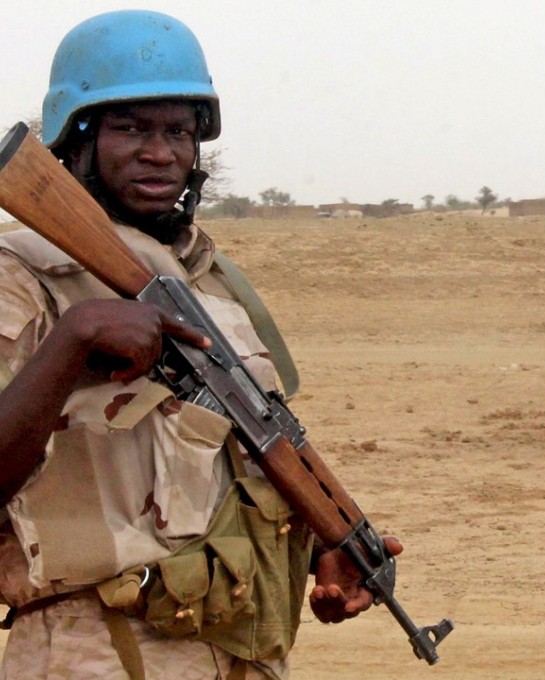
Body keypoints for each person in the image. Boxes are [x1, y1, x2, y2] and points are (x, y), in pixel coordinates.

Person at [0, 10, 398, 679]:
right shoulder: (21, 275)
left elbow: (228, 463)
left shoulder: (207, 281)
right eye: (132, 127)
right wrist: (73, 340)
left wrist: (316, 545)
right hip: (92, 650)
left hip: (234, 652)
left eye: (179, 130)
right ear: (76, 138)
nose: (162, 152)